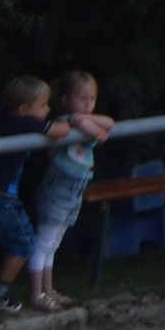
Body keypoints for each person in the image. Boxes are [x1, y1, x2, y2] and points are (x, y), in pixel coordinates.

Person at [0, 76, 112, 313]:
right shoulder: (24, 122)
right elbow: (60, 130)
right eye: (43, 105)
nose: (48, 109)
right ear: (24, 108)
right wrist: (72, 120)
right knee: (25, 242)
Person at [28, 71, 115, 311]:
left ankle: (48, 289)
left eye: (92, 99)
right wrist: (98, 133)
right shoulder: (65, 120)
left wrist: (91, 120)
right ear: (65, 99)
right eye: (82, 98)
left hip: (73, 192)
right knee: (43, 243)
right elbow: (85, 124)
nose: (88, 104)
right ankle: (36, 293)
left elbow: (110, 122)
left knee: (53, 244)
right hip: (57, 191)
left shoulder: (83, 118)